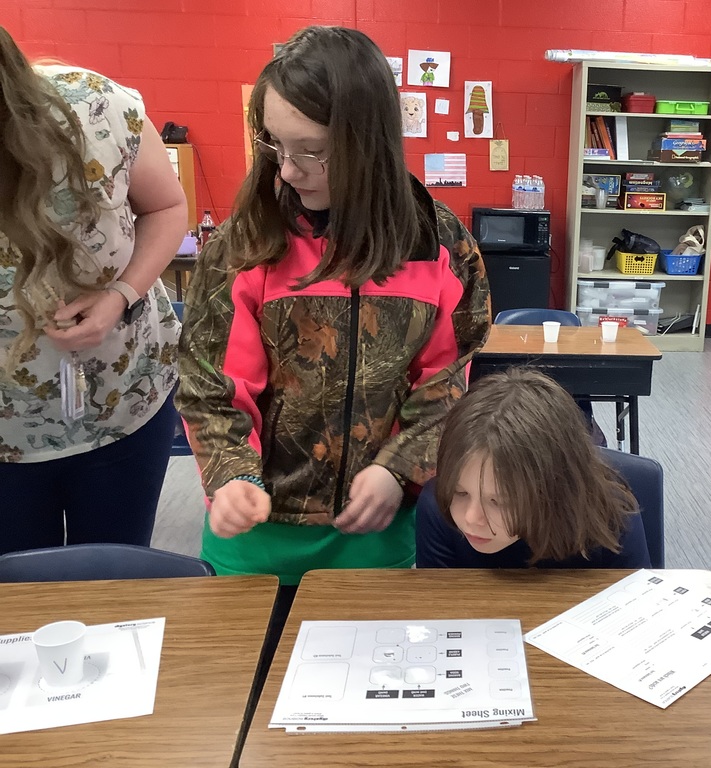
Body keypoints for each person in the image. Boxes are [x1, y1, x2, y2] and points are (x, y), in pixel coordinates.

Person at [175, 25, 490, 587]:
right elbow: (209, 384)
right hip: (254, 533)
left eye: (312, 152)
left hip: (374, 533)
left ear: (369, 143)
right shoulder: (245, 243)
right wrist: (229, 475)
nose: (288, 170)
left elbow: (444, 387)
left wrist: (398, 469)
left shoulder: (438, 245)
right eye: (275, 145)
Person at [0, 27, 188, 554]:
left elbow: (168, 207)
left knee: (114, 581)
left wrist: (121, 294)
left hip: (122, 397)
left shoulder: (95, 107)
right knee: (18, 601)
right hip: (7, 431)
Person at [416, 369, 651, 568]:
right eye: (461, 493)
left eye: (500, 501)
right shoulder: (437, 507)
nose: (470, 518)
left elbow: (639, 611)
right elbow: (442, 614)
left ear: (554, 486)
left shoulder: (609, 515)